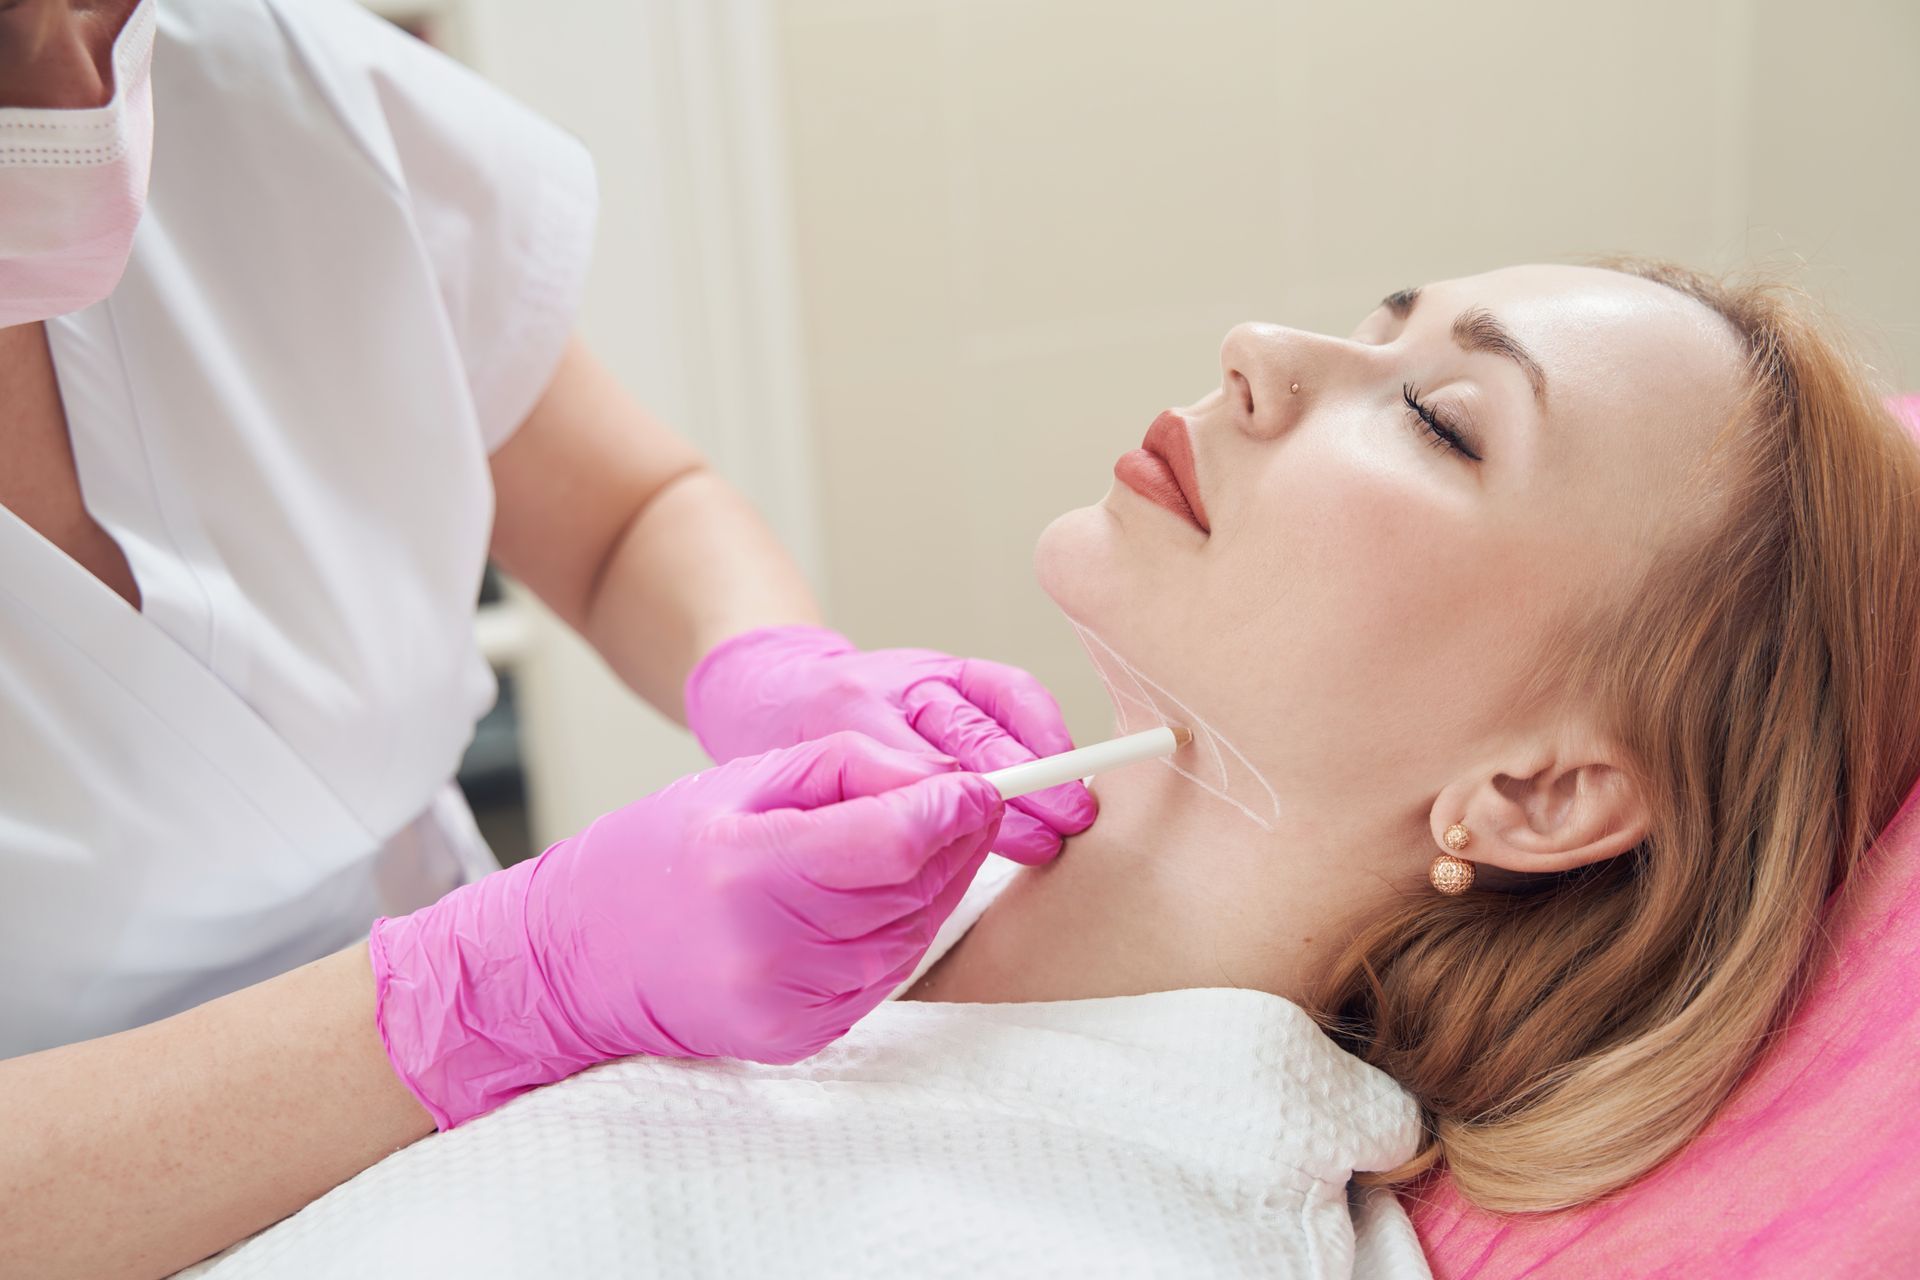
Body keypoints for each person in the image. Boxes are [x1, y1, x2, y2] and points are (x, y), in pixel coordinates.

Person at [142, 259, 1920, 1278]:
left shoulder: (1148, 1237)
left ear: (1534, 794)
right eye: (1386, 318)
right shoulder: (828, 916)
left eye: (1442, 419)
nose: (1267, 347)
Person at [0, 1, 1097, 1275]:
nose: (76, 77)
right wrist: (484, 988)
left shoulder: (271, 85)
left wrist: (767, 660)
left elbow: (626, 514)